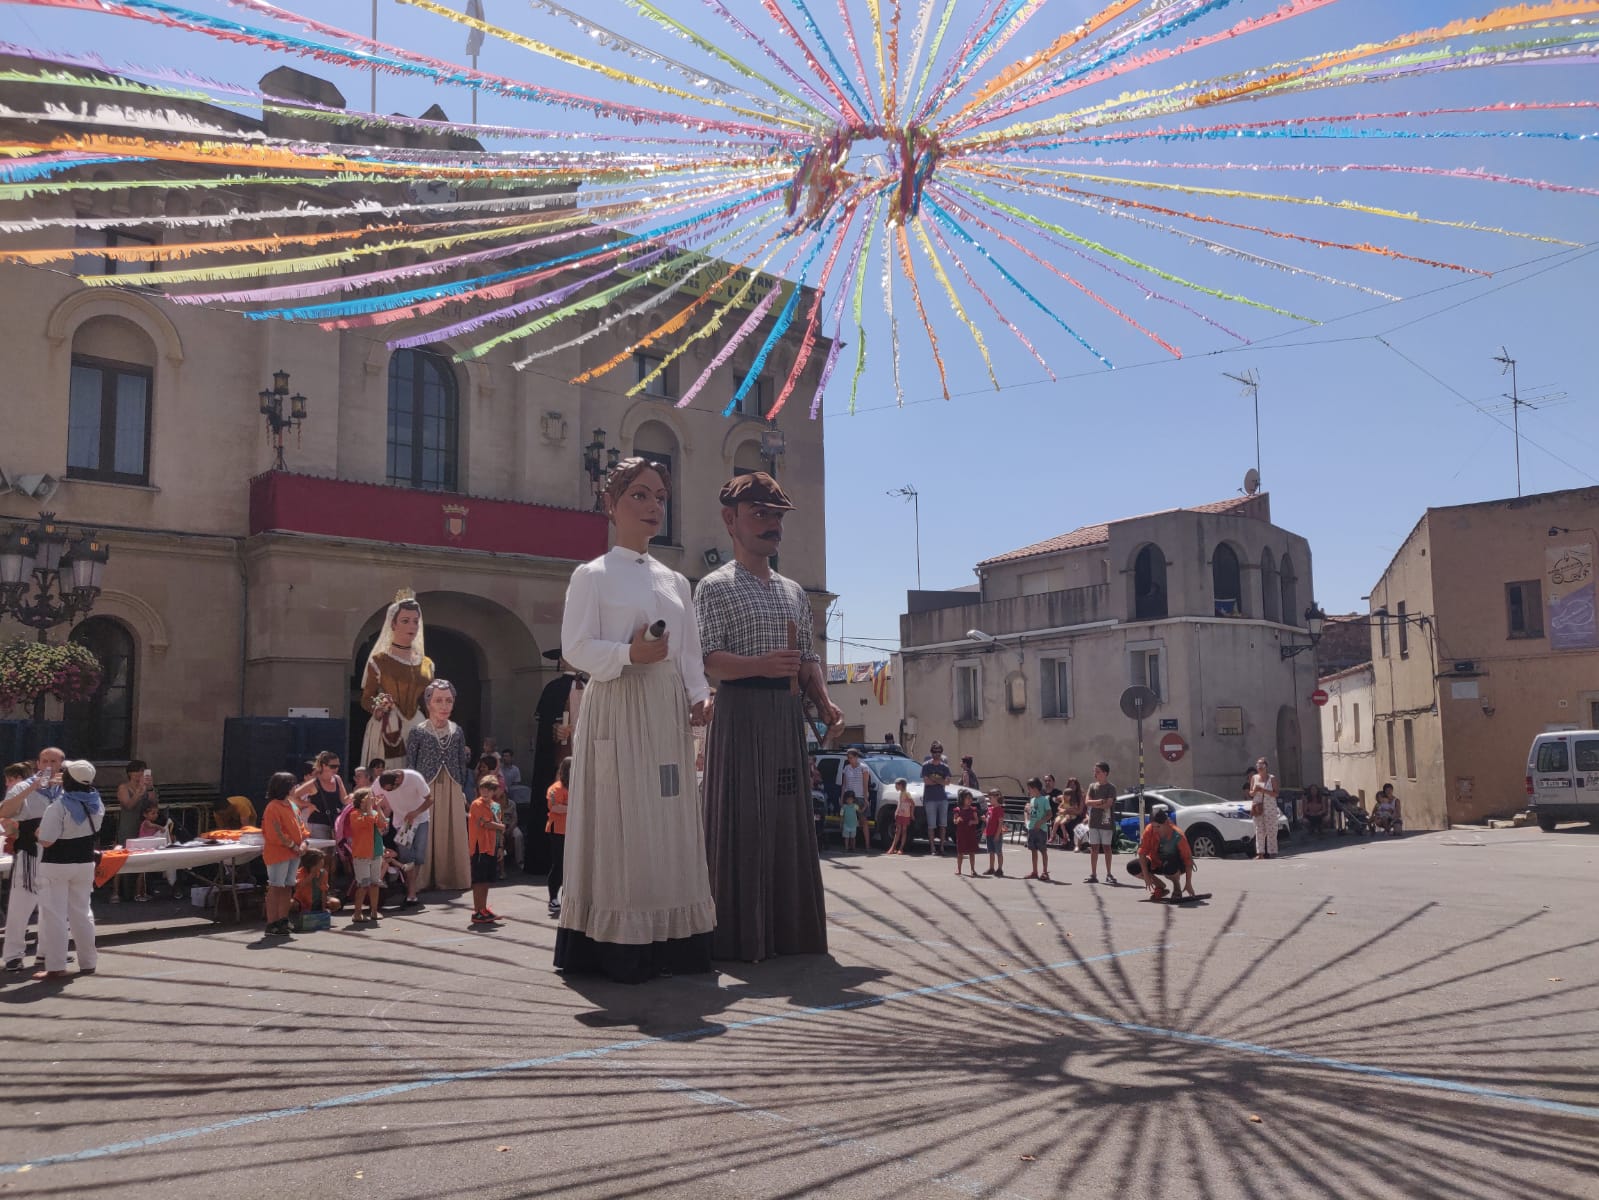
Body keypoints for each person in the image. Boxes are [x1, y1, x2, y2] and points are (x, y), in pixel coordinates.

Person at [556, 458, 717, 983]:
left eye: (660, 497)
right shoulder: (592, 575)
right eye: (640, 496)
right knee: (621, 818)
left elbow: (689, 651)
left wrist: (698, 696)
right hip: (618, 706)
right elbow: (576, 647)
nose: (653, 507)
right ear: (612, 505)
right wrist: (629, 655)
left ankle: (675, 936)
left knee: (669, 815)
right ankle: (618, 941)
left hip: (665, 710)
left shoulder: (676, 580)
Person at [697, 470, 839, 962]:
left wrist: (822, 699)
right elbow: (709, 659)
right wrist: (759, 666)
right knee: (742, 819)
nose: (771, 524)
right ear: (730, 520)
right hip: (739, 715)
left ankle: (788, 933)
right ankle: (738, 935)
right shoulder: (714, 587)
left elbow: (808, 659)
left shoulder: (794, 592)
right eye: (760, 513)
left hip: (784, 718)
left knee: (785, 819)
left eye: (776, 516)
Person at [33, 759, 105, 981]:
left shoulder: (59, 806)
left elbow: (46, 840)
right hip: (84, 863)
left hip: (57, 865)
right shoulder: (96, 803)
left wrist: (37, 833)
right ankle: (88, 962)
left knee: (55, 915)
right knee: (82, 913)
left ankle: (55, 966)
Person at [405, 679, 473, 892]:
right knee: (425, 831)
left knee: (451, 830)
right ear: (428, 703)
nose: (444, 706)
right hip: (426, 787)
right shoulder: (418, 731)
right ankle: (421, 879)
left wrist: (462, 788)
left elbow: (461, 762)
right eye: (439, 701)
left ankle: (452, 876)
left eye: (449, 701)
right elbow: (410, 764)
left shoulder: (457, 731)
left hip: (452, 786)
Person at [2, 749, 63, 974]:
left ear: (61, 763)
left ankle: (46, 952)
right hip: (30, 851)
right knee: (21, 904)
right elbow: (5, 811)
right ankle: (13, 955)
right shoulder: (24, 786)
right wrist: (31, 788)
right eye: (44, 761)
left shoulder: (67, 787)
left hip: (57, 853)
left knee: (53, 904)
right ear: (38, 763)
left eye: (53, 761)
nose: (48, 765)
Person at [360, 591, 435, 770]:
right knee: (390, 774)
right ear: (393, 624)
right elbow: (366, 697)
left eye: (416, 621)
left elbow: (429, 701)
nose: (412, 626)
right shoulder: (379, 661)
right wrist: (378, 707)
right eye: (405, 620)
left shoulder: (427, 663)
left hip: (418, 722)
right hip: (389, 723)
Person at [527, 648, 583, 874]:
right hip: (562, 759)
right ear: (561, 659)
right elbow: (544, 727)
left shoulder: (593, 685)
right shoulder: (553, 689)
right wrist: (554, 731)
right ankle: (552, 859)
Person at [372, 767, 433, 907]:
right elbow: (374, 799)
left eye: (390, 790)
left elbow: (430, 799)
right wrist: (381, 814)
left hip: (421, 819)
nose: (387, 792)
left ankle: (411, 890)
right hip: (401, 823)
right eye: (385, 790)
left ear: (398, 781)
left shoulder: (414, 777)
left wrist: (415, 812)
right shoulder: (379, 782)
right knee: (407, 858)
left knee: (418, 857)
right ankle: (412, 893)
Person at [262, 771, 309, 937]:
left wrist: (304, 842)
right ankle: (272, 922)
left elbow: (301, 827)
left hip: (293, 854)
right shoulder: (272, 807)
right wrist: (294, 846)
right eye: (292, 785)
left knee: (288, 885)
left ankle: (283, 919)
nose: (295, 788)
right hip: (278, 854)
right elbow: (275, 833)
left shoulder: (292, 805)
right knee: (276, 886)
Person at [112, 759, 157, 903]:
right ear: (130, 773)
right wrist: (138, 793)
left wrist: (149, 788)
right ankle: (119, 891)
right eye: (137, 771)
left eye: (143, 771)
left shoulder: (147, 787)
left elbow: (153, 804)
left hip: (144, 827)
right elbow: (128, 805)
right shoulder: (123, 788)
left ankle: (140, 891)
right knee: (124, 856)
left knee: (143, 858)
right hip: (128, 825)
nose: (140, 774)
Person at [344, 787, 389, 925]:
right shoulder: (354, 814)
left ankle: (374, 911)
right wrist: (370, 808)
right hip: (362, 854)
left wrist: (378, 807)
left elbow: (382, 824)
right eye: (369, 797)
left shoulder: (373, 812)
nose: (372, 799)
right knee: (363, 885)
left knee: (375, 883)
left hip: (376, 852)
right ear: (361, 800)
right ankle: (357, 913)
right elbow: (365, 823)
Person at [468, 778, 507, 927]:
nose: (485, 792)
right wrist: (501, 826)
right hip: (479, 847)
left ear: (494, 791)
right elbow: (484, 823)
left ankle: (483, 909)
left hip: (491, 846)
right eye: (483, 788)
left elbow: (497, 831)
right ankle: (477, 911)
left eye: (489, 789)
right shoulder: (476, 804)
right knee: (478, 881)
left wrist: (500, 847)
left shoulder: (496, 806)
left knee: (486, 880)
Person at [1137, 805, 1195, 902]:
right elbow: (1142, 853)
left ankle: (1177, 888)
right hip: (1157, 863)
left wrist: (1188, 883)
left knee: (1169, 866)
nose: (1155, 829)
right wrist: (1146, 876)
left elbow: (1188, 861)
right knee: (1134, 867)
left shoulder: (1178, 835)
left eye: (1158, 826)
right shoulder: (1149, 830)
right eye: (1153, 826)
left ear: (1166, 823)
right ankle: (1160, 887)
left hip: (1175, 865)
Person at [1084, 761, 1119, 885]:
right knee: (1094, 848)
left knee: (1106, 848)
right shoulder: (1092, 786)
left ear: (1105, 773)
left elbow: (1109, 804)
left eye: (1098, 771)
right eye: (1095, 771)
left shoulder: (1111, 788)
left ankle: (1109, 874)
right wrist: (1100, 801)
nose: (1095, 774)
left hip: (1106, 822)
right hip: (1093, 822)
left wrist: (1096, 803)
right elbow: (1087, 802)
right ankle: (1093, 874)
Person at [545, 757, 571, 918]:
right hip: (558, 831)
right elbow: (555, 806)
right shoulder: (556, 788)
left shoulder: (575, 787)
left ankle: (567, 896)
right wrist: (573, 806)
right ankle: (553, 897)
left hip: (572, 830)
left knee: (571, 866)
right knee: (558, 865)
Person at [304, 751, 346, 843]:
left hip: (333, 824)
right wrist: (307, 804)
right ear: (324, 765)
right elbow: (293, 796)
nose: (336, 769)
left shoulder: (337, 779)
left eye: (338, 766)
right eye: (333, 766)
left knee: (331, 855)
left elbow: (344, 800)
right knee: (320, 855)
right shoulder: (315, 781)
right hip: (317, 824)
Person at [920, 741, 953, 857]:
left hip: (942, 798)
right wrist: (940, 781)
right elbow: (926, 782)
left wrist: (934, 779)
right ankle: (932, 847)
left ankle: (942, 846)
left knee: (943, 824)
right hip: (930, 798)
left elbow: (947, 782)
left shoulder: (945, 767)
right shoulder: (926, 766)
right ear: (931, 752)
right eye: (935, 751)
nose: (937, 754)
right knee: (931, 825)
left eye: (939, 751)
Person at [1249, 756, 1280, 859]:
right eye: (1258, 765)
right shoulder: (1254, 778)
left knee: (1272, 829)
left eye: (1261, 765)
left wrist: (1263, 791)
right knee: (1259, 830)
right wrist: (1254, 791)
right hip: (1258, 806)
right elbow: (1251, 793)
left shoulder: (1272, 778)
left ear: (1266, 766)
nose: (1259, 767)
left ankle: (1272, 852)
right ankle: (1260, 853)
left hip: (1270, 806)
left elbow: (1276, 793)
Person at [1024, 777, 1052, 882]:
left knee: (1043, 850)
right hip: (1032, 829)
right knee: (1033, 850)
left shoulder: (1044, 800)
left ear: (1035, 788)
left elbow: (1049, 814)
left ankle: (1044, 872)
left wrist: (1040, 822)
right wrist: (1027, 816)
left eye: (1029, 788)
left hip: (1041, 829)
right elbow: (1032, 814)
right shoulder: (1032, 800)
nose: (1028, 791)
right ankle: (1034, 871)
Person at [951, 790, 981, 877]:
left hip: (970, 834)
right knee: (960, 852)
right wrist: (957, 820)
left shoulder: (973, 810)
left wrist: (972, 821)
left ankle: (972, 869)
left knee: (972, 852)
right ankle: (959, 868)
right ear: (962, 799)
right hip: (961, 834)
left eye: (971, 798)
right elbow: (954, 821)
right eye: (968, 798)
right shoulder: (957, 810)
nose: (970, 800)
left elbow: (977, 821)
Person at [1053, 778, 1085, 848]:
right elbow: (1058, 802)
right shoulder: (1065, 796)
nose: (1072, 786)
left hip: (1077, 816)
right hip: (1066, 815)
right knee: (1056, 823)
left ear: (1077, 786)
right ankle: (1066, 840)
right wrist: (1058, 799)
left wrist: (1067, 811)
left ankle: (1072, 842)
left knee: (1070, 824)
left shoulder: (1080, 797)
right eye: (1070, 785)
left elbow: (1079, 811)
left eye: (1074, 785)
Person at [981, 787, 1006, 877]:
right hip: (989, 833)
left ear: (997, 797)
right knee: (991, 852)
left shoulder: (999, 809)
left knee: (998, 852)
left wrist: (997, 834)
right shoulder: (990, 809)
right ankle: (991, 868)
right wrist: (985, 819)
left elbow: (1000, 823)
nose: (989, 800)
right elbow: (989, 821)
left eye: (990, 798)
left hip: (996, 834)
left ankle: (1000, 869)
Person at [887, 778, 913, 856]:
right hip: (899, 814)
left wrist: (911, 814)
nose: (895, 787)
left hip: (906, 815)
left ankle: (901, 848)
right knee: (897, 831)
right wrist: (896, 811)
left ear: (901, 785)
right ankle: (893, 847)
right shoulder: (901, 793)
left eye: (896, 785)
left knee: (904, 831)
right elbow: (900, 803)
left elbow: (912, 803)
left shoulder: (907, 793)